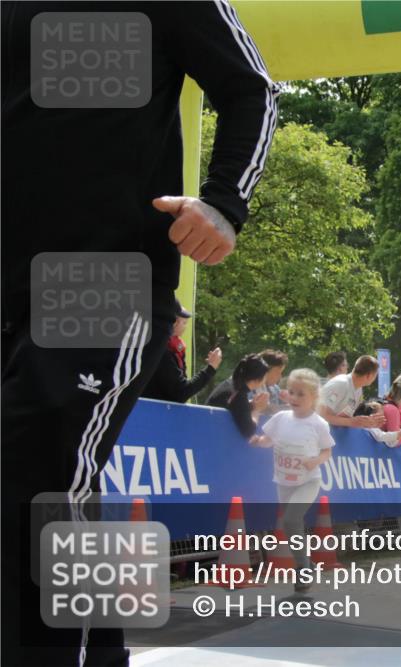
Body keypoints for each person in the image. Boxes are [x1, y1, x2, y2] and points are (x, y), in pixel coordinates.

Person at [2, 2, 278, 662]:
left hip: (102, 278)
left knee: (31, 470)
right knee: (54, 487)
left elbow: (251, 88)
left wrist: (224, 201)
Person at [249, 369, 332, 593]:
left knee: (291, 519)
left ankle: (303, 569)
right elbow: (268, 440)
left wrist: (315, 461)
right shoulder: (280, 418)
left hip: (308, 481)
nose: (294, 398)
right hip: (283, 481)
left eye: (301, 394)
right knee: (291, 526)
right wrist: (258, 440)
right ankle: (306, 565)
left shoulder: (318, 424)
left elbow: (327, 452)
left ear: (314, 397)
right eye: (292, 392)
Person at [142, 299, 222, 403]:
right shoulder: (161, 351)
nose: (185, 327)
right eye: (184, 322)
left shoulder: (164, 347)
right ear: (174, 323)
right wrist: (211, 368)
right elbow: (181, 392)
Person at [207, 354, 270, 439]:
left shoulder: (230, 384)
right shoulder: (239, 394)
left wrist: (251, 405)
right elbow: (249, 431)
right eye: (265, 377)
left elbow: (236, 407)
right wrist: (257, 410)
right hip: (213, 437)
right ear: (257, 380)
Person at [318, 355, 384, 428]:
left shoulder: (358, 389)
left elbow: (344, 417)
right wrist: (352, 422)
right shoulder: (341, 384)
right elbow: (321, 415)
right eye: (375, 375)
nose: (375, 379)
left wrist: (367, 422)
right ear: (368, 375)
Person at [257, 350, 289, 415]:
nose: (280, 377)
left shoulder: (275, 388)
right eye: (278, 372)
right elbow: (262, 408)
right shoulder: (248, 386)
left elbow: (284, 405)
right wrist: (293, 408)